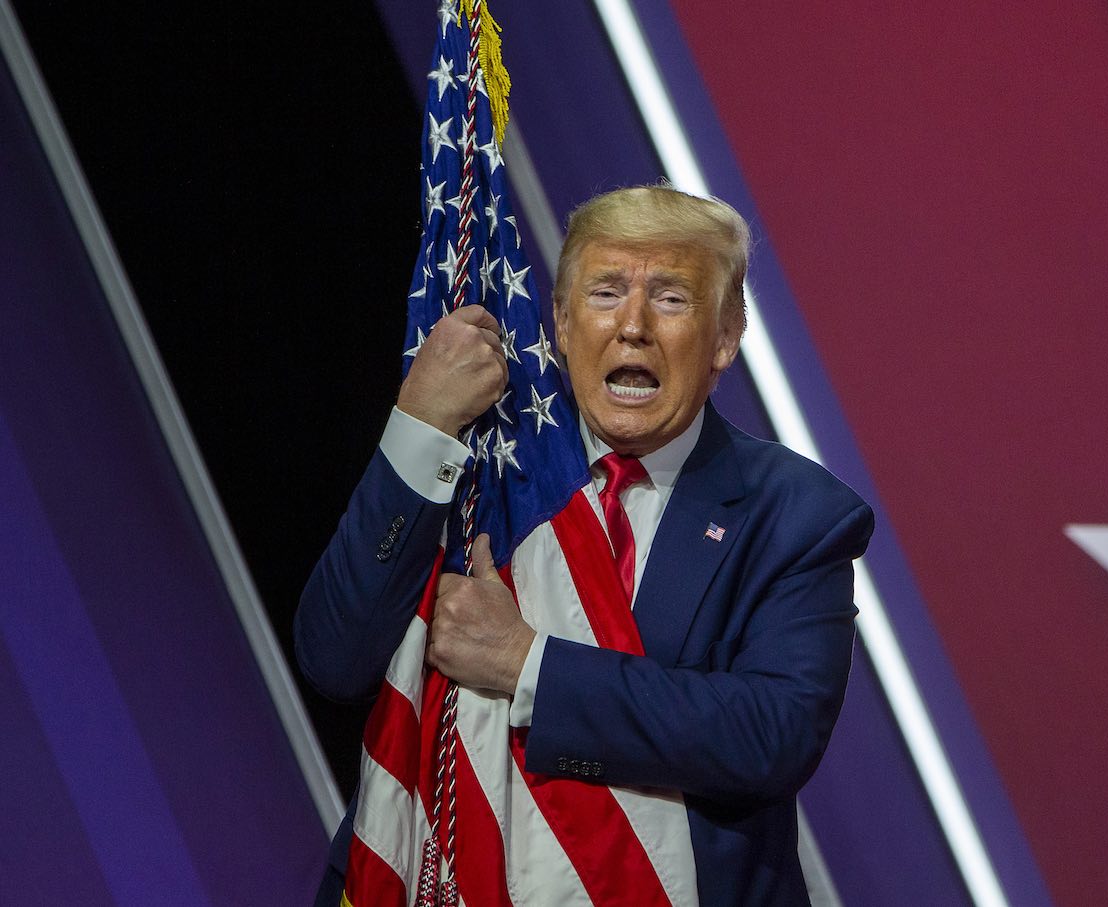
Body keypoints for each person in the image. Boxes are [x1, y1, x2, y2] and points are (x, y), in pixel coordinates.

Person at [296, 185, 873, 905]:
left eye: (670, 298)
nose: (632, 325)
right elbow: (334, 657)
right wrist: (418, 423)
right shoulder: (477, 471)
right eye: (605, 292)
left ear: (727, 334)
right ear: (563, 325)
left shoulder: (797, 515)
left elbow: (771, 733)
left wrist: (527, 662)